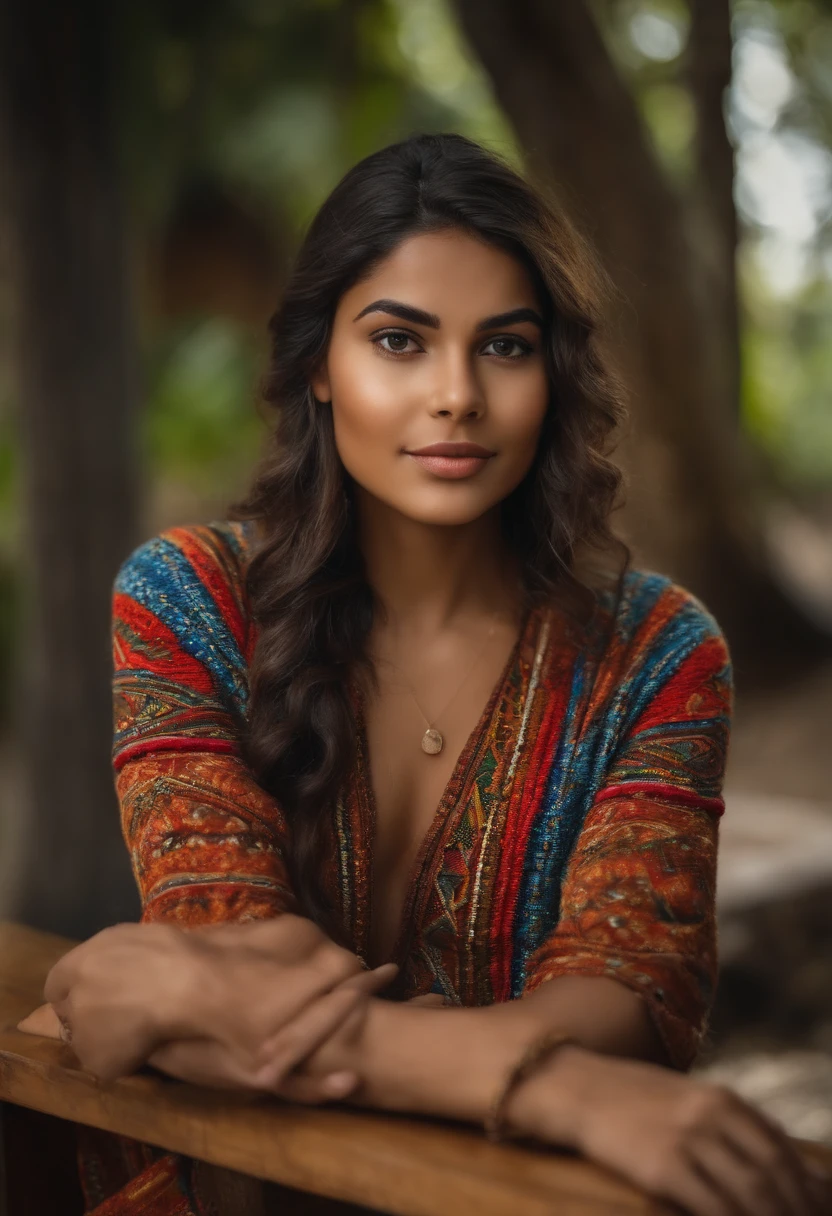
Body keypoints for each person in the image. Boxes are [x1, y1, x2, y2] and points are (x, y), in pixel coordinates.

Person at [22, 133, 830, 1215]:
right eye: (398, 340)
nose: (455, 394)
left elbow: (626, 1010)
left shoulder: (657, 654)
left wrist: (160, 990)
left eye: (503, 347)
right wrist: (548, 1084)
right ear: (318, 362)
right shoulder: (189, 599)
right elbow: (220, 959)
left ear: (554, 371)